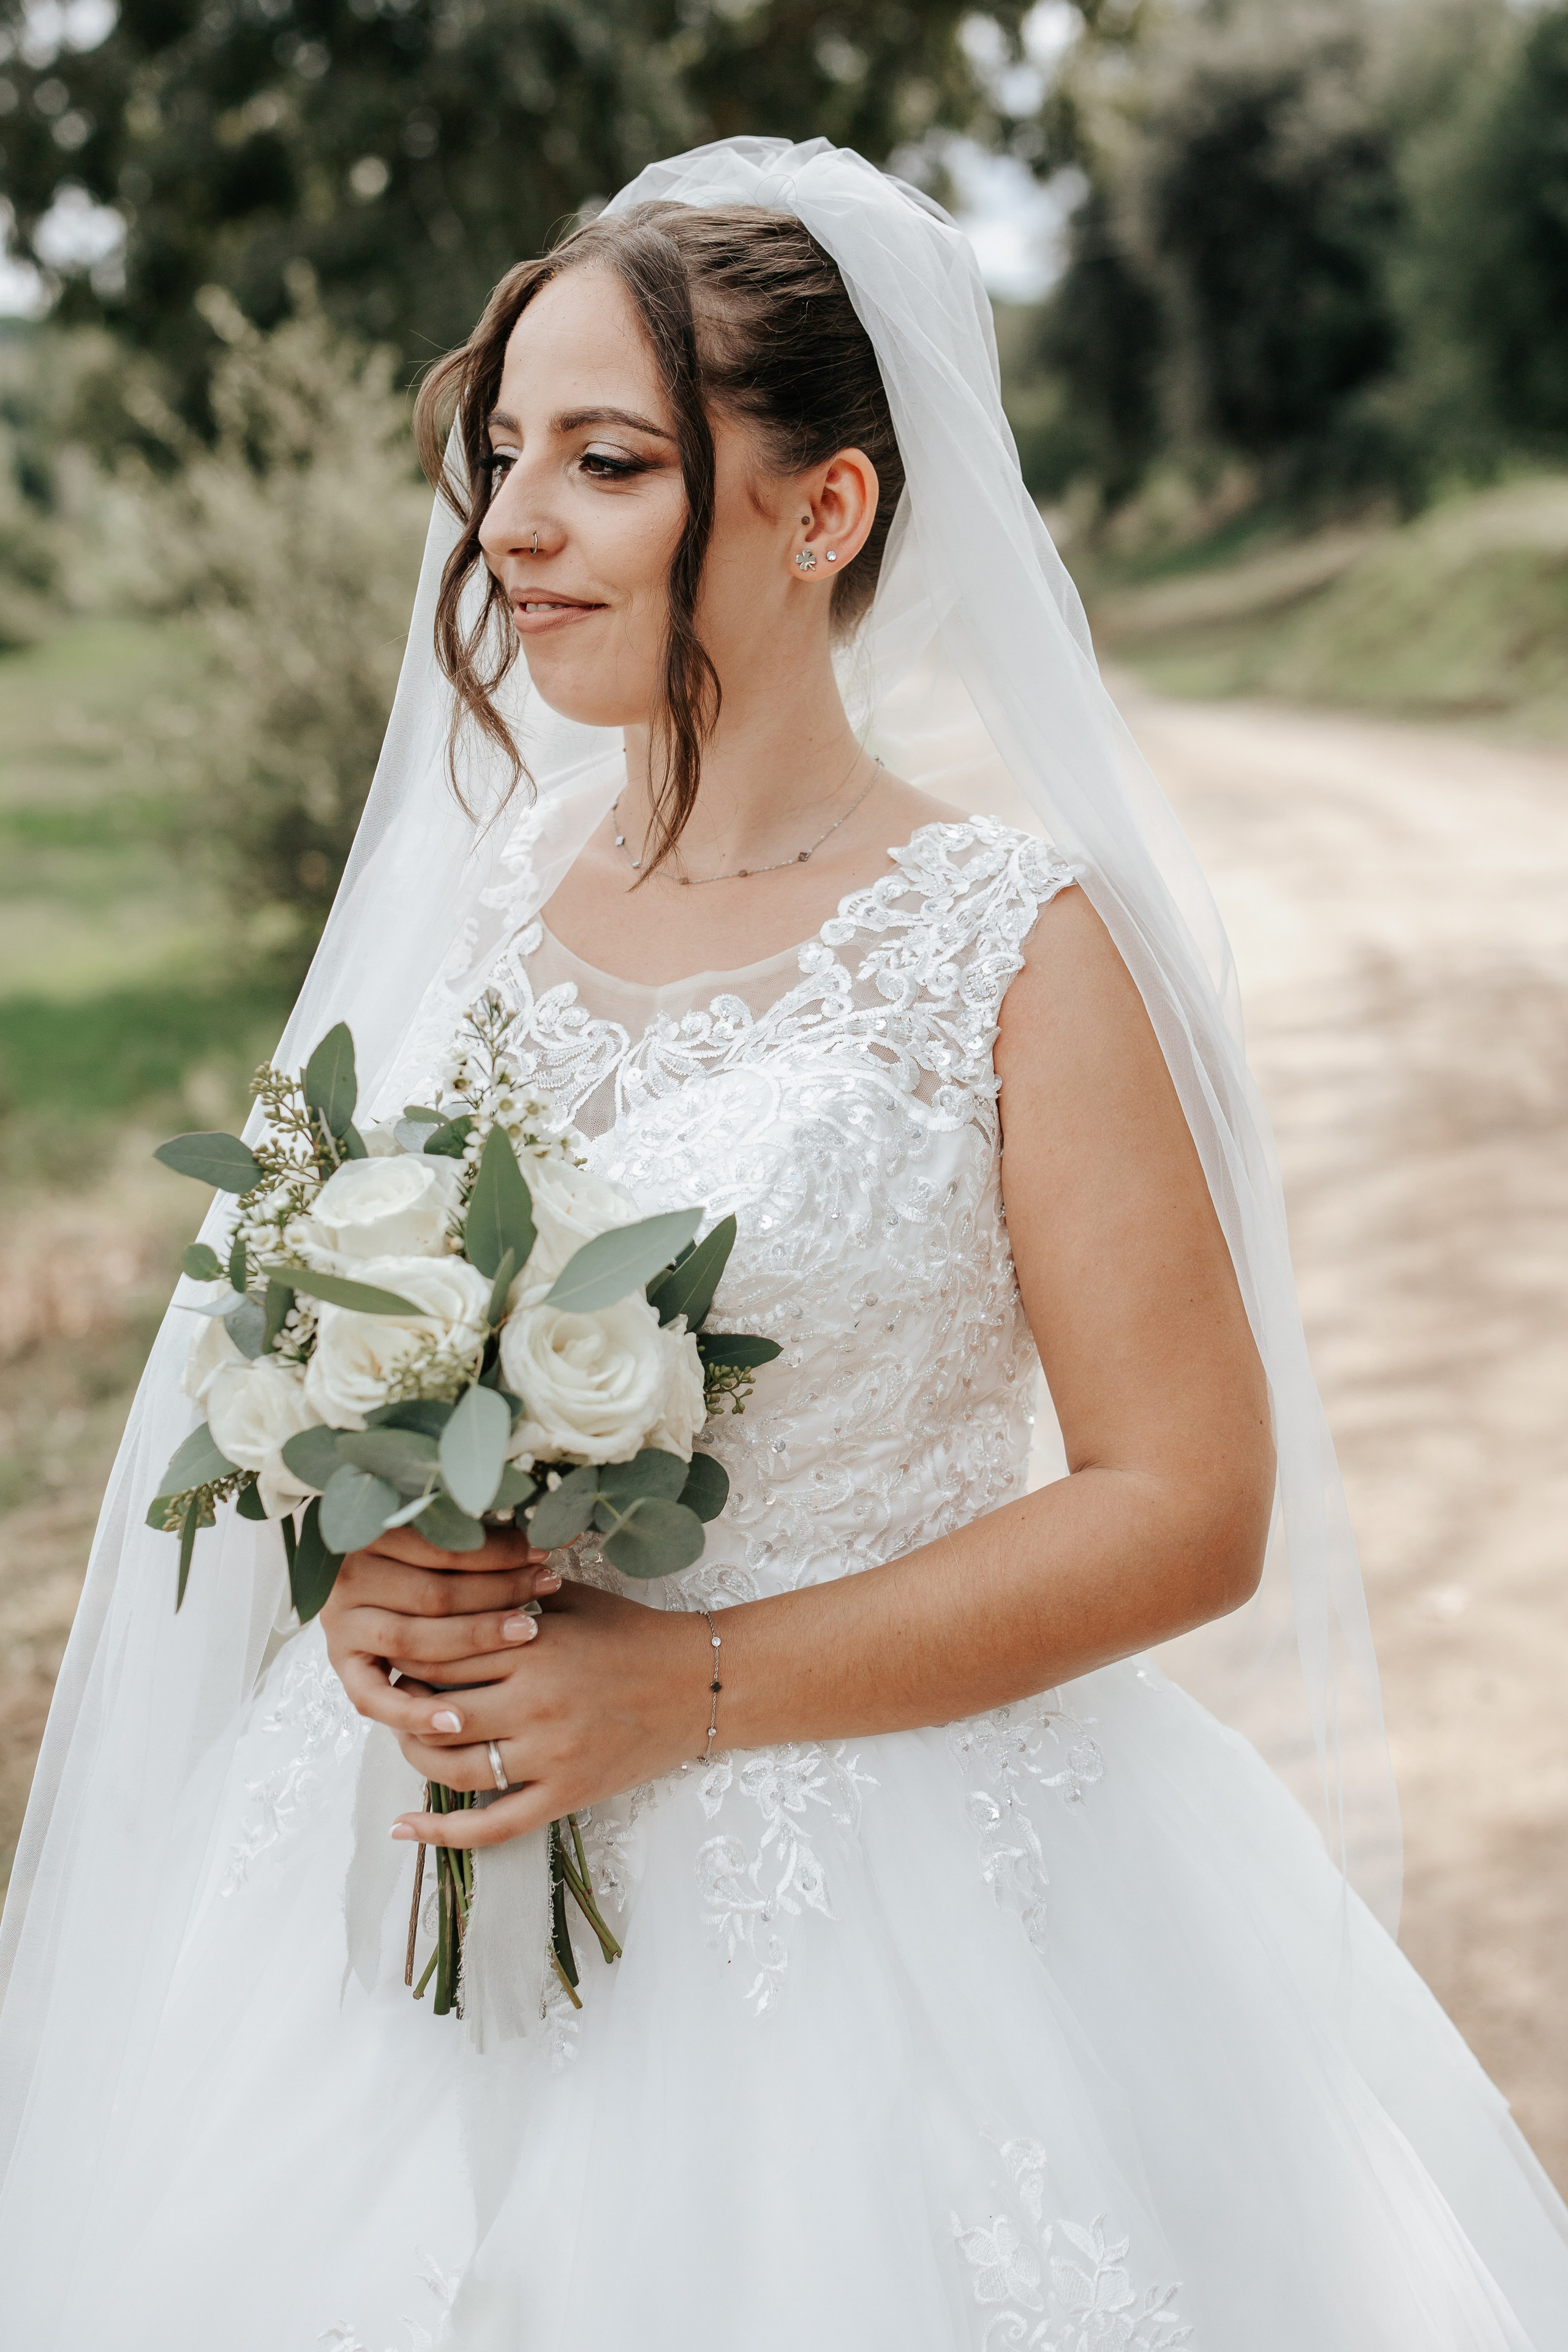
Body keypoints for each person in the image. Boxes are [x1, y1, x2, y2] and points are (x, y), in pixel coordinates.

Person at [1, 138, 1564, 2351]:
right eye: (504, 455)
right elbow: (298, 1368)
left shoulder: (1011, 949)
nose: (512, 527)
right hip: (414, 1869)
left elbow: (1190, 1508)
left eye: (609, 463)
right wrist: (380, 1573)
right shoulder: (471, 912)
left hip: (887, 1910)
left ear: (821, 512)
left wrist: (688, 1688)